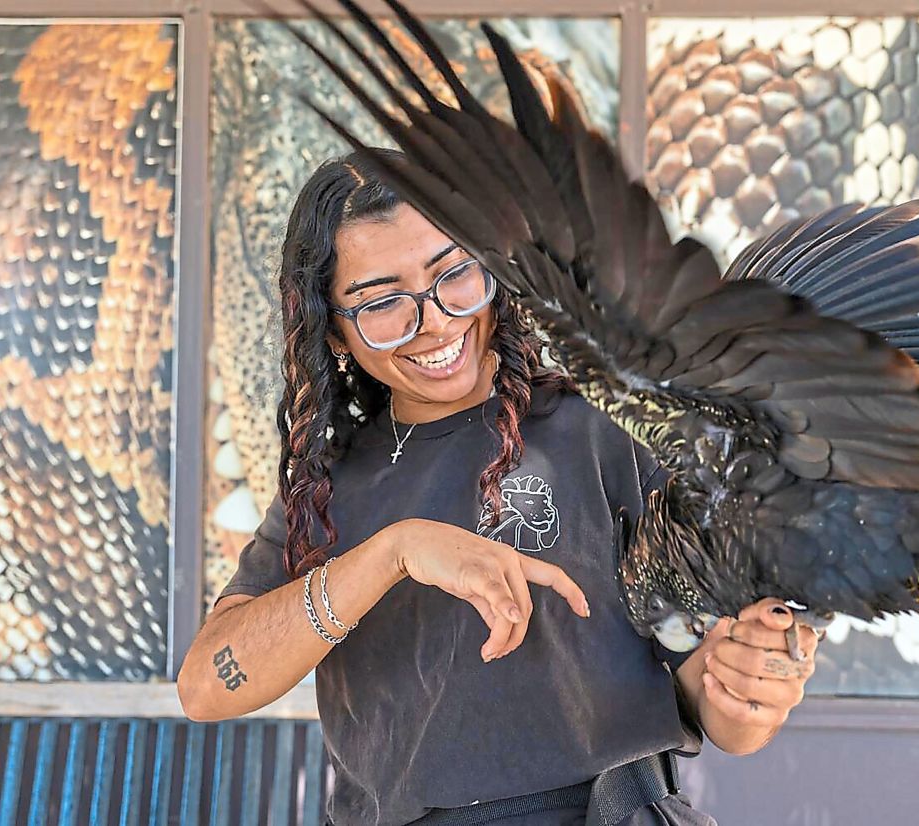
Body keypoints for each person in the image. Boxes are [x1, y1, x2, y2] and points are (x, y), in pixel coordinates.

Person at [178, 149, 820, 825]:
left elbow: (725, 716)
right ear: (333, 331)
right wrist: (393, 554)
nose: (434, 321)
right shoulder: (326, 485)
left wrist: (752, 680)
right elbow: (206, 687)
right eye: (383, 303)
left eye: (454, 273)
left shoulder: (610, 428)